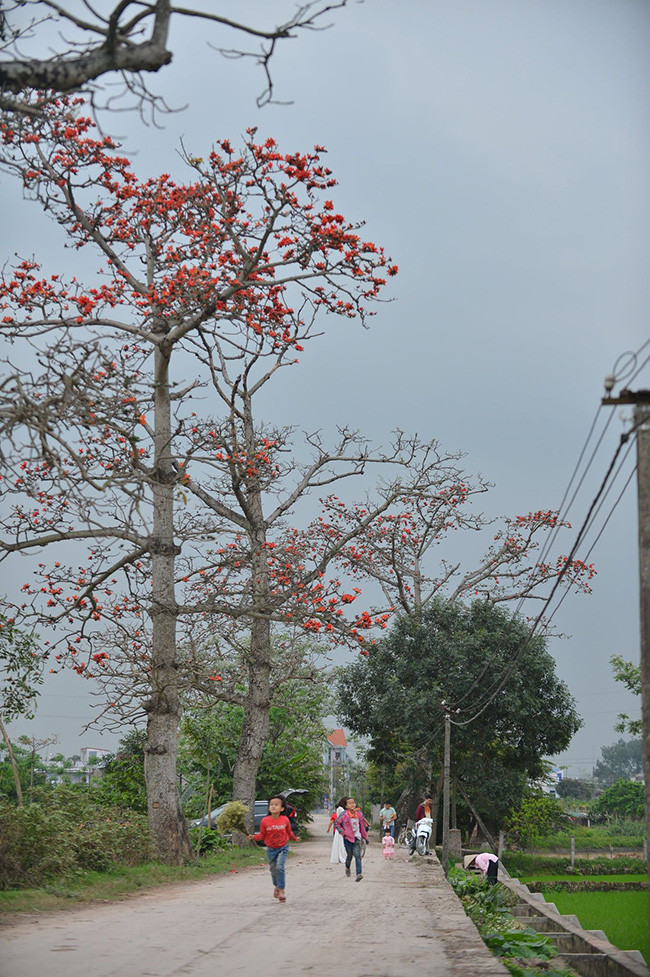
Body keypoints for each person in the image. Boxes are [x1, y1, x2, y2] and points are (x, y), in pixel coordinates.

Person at [248, 794, 300, 903]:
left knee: (279, 867)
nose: (273, 806)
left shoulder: (285, 820)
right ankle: (277, 886)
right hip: (271, 849)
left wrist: (295, 838)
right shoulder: (265, 821)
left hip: (282, 848)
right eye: (271, 804)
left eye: (276, 805)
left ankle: (281, 891)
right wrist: (253, 837)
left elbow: (289, 832)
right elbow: (262, 835)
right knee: (273, 870)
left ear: (282, 808)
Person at [334, 795, 368, 881]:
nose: (352, 804)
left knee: (358, 855)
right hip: (348, 838)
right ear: (346, 806)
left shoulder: (359, 814)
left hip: (357, 837)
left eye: (353, 803)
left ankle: (359, 874)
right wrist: (343, 833)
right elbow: (336, 824)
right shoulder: (344, 815)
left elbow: (362, 825)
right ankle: (347, 867)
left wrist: (365, 836)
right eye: (349, 803)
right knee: (349, 855)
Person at [327, 796, 348, 865]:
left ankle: (343, 856)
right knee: (341, 843)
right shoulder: (340, 809)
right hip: (341, 828)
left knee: (342, 843)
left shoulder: (342, 809)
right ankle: (342, 856)